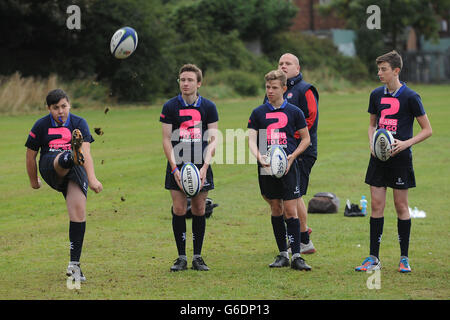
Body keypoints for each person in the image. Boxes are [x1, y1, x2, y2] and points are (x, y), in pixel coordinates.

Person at [355, 50, 432, 273]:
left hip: (401, 159)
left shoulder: (411, 97)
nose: (379, 73)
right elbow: (372, 124)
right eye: (379, 69)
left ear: (396, 71)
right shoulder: (376, 95)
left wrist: (405, 143)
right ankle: (373, 259)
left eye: (383, 69)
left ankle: (404, 258)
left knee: (401, 206)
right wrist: (372, 143)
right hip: (378, 159)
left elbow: (427, 130)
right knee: (377, 205)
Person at [25, 89, 103, 282]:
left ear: (69, 105)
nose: (60, 111)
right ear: (49, 109)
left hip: (76, 169)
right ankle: (70, 157)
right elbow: (30, 155)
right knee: (62, 158)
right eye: (55, 108)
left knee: (78, 214)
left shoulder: (79, 123)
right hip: (50, 164)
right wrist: (33, 181)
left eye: (63, 106)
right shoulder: (41, 125)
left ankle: (74, 266)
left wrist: (92, 178)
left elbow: (86, 153)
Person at [248, 69, 312, 271]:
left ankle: (297, 256)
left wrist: (293, 156)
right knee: (276, 208)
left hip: (289, 167)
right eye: (267, 87)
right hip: (267, 167)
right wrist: (260, 158)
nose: (270, 91)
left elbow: (306, 139)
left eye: (274, 87)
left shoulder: (295, 112)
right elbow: (250, 139)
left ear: (284, 88)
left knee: (291, 210)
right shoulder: (258, 112)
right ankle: (282, 254)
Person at [160, 64, 218, 272]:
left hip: (201, 165)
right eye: (182, 80)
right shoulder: (169, 107)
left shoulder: (209, 107)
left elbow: (213, 139)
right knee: (178, 209)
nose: (185, 83)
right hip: (178, 165)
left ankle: (198, 257)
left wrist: (204, 168)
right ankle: (181, 257)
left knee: (199, 209)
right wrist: (174, 168)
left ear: (198, 83)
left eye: (190, 80)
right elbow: (166, 140)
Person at [270, 53, 319, 254]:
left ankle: (304, 240)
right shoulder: (273, 89)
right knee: (276, 197)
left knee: (294, 194)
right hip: (276, 153)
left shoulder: (305, 89)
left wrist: (291, 138)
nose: (283, 66)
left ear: (297, 69)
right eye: (280, 63)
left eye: (288, 63)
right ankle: (296, 236)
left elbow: (311, 119)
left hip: (301, 152)